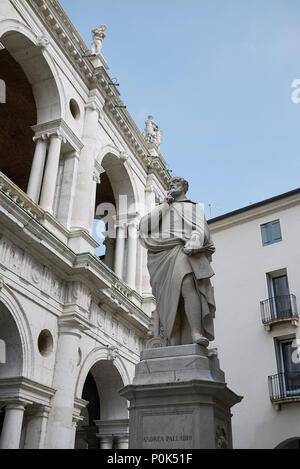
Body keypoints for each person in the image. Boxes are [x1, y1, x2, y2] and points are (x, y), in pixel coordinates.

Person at [139, 176, 216, 346]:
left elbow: (201, 230)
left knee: (187, 283)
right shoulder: (162, 206)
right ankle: (172, 338)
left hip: (183, 249)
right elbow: (144, 227)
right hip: (160, 255)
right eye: (171, 183)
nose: (173, 185)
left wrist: (195, 240)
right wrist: (166, 203)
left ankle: (195, 332)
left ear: (185, 187)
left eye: (177, 183)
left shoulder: (193, 207)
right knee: (168, 297)